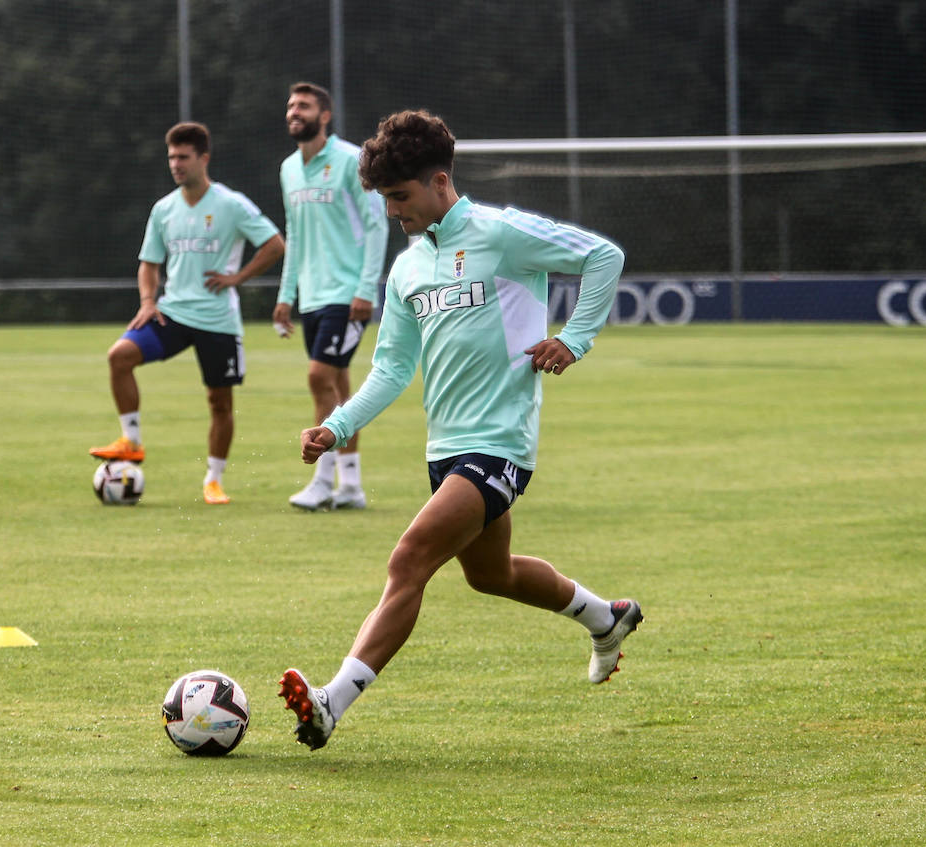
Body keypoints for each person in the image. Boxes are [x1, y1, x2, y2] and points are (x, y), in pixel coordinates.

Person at [278, 109, 641, 750]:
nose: (394, 211)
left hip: (500, 446)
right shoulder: (408, 268)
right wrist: (334, 427)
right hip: (445, 450)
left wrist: (575, 339)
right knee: (489, 575)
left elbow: (603, 257)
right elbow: (391, 370)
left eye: (400, 196)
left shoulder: (501, 233)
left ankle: (332, 703)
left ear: (440, 181)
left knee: (409, 560)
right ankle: (604, 617)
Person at [90, 122, 284, 505]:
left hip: (218, 321)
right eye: (172, 157)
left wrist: (238, 277)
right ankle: (131, 440)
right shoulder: (164, 209)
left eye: (183, 157)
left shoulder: (231, 204)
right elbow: (149, 263)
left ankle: (213, 481)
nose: (176, 164)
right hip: (172, 314)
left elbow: (275, 244)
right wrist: (148, 301)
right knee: (119, 357)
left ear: (203, 159)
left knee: (219, 403)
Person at [274, 82, 388, 511]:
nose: (294, 112)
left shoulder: (348, 160)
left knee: (318, 378)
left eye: (303, 106)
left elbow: (376, 224)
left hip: (347, 294)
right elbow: (296, 236)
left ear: (325, 116)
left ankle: (322, 481)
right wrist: (287, 294)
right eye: (290, 106)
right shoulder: (288, 169)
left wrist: (365, 289)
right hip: (313, 296)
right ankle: (352, 487)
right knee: (338, 385)